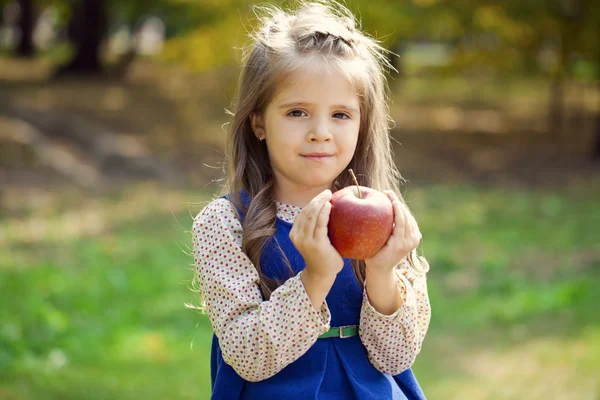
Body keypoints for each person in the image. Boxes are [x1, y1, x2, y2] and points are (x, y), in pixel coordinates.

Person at [192, 1, 431, 399]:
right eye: (298, 112)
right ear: (258, 122)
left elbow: (396, 357)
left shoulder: (385, 220)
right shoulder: (226, 223)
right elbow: (248, 355)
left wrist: (382, 273)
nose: (320, 132)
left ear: (362, 124)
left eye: (340, 115)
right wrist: (315, 278)